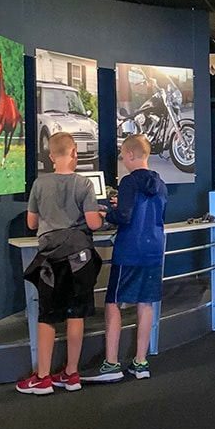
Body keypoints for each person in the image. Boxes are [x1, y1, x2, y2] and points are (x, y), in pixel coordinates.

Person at [17, 133, 104, 395]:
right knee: (76, 314)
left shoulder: (39, 184)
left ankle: (42, 377)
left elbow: (31, 224)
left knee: (47, 316)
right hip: (80, 258)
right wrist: (100, 214)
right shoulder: (85, 184)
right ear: (75, 152)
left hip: (50, 260)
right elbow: (93, 224)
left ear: (51, 156)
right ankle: (71, 373)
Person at [82, 134, 168, 382]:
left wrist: (108, 212)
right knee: (146, 303)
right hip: (153, 250)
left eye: (122, 156)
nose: (122, 160)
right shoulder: (160, 183)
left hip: (130, 250)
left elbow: (125, 217)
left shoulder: (129, 181)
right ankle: (141, 362)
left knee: (113, 303)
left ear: (130, 154)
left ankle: (111, 364)